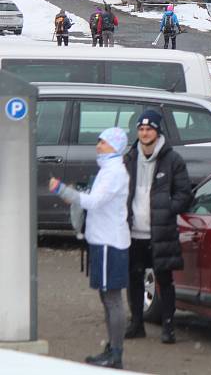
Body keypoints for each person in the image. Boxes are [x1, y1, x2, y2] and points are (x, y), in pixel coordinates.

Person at [48, 128, 131, 369]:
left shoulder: (113, 172)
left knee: (112, 298)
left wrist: (62, 190)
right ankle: (112, 348)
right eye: (99, 141)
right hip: (104, 240)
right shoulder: (109, 170)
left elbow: (94, 202)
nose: (98, 146)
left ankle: (116, 353)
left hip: (109, 242)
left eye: (103, 142)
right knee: (107, 297)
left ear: (115, 146)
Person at [124, 110, 192, 344]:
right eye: (141, 129)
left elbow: (184, 194)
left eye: (149, 129)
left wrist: (169, 208)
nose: (144, 133)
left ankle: (168, 327)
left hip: (161, 231)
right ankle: (136, 323)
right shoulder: (130, 157)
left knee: (165, 280)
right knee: (134, 278)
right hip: (133, 233)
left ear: (157, 131)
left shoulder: (173, 160)